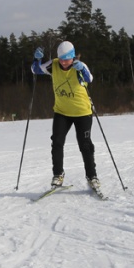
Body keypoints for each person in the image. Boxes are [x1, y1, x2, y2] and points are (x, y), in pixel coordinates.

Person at [32, 41, 100, 193]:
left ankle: (92, 177)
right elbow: (35, 70)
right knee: (57, 142)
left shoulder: (79, 66)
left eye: (67, 59)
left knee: (85, 145)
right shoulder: (54, 65)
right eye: (61, 59)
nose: (63, 62)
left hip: (82, 112)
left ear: (73, 56)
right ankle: (58, 174)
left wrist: (82, 69)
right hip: (62, 112)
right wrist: (37, 59)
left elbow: (89, 79)